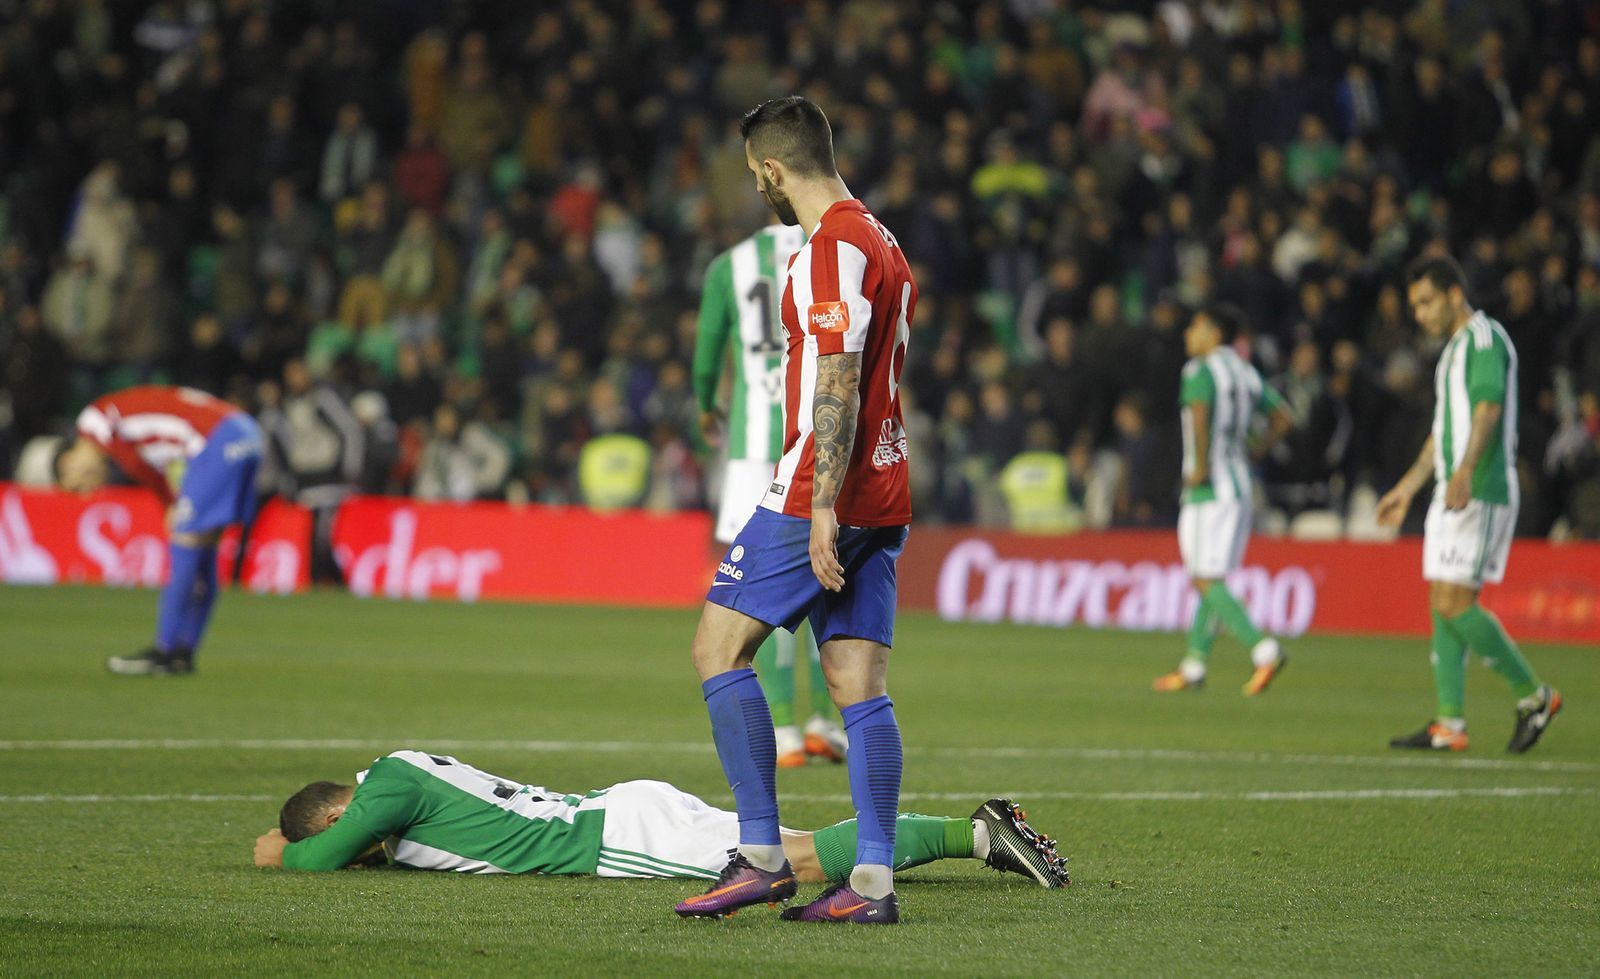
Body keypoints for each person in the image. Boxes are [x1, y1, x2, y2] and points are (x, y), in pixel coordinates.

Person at [680, 96, 917, 925]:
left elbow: (837, 379)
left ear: (777, 170)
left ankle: (759, 857)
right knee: (857, 683)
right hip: (887, 489)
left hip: (825, 488)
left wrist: (820, 507)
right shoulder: (882, 238)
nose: (757, 190)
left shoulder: (829, 250)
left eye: (756, 177)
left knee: (718, 647)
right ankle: (872, 886)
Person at [251, 749, 1068, 893]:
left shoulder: (381, 795)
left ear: (335, 813)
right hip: (623, 807)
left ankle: (978, 832)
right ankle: (977, 833)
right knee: (784, 849)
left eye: (343, 836)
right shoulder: (406, 769)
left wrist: (281, 854)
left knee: (795, 865)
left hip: (615, 838)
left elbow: (318, 862)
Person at [1377, 256, 1563, 753]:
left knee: (1455, 603)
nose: (1417, 313)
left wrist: (1463, 471)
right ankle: (1449, 724)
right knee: (1441, 603)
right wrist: (1408, 487)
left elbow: (1489, 408)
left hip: (1479, 488)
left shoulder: (1484, 339)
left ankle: (1534, 696)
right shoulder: (1453, 351)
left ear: (1454, 295)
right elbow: (1442, 435)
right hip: (1451, 488)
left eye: (1425, 302)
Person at [693, 216, 848, 769]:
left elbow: (706, 361)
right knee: (821, 575)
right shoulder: (825, 253)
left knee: (760, 588)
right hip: (813, 443)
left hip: (751, 452)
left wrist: (704, 412)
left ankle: (781, 727)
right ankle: (823, 722)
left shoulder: (727, 266)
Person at [54, 385, 264, 675]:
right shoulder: (126, 431)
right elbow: (150, 462)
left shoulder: (92, 420)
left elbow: (136, 464)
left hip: (218, 439)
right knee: (204, 549)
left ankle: (163, 651)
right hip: (245, 432)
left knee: (186, 541)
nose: (89, 490)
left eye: (78, 485)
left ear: (67, 462)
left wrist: (169, 502)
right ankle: (182, 653)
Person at [1152, 305, 1293, 695]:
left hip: (1208, 490)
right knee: (1210, 579)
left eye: (1195, 327)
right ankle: (1194, 665)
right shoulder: (1247, 373)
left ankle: (1264, 650)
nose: (1188, 334)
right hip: (1240, 487)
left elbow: (1199, 413)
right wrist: (1255, 451)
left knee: (1203, 577)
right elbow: (1284, 417)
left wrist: (1198, 464)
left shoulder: (1198, 371)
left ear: (1214, 333)